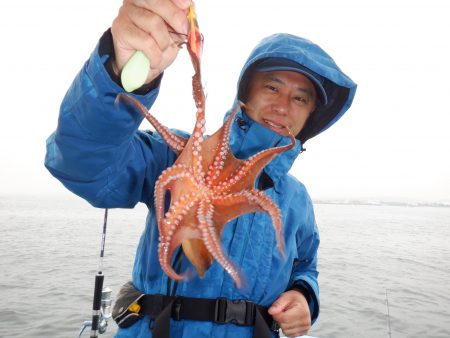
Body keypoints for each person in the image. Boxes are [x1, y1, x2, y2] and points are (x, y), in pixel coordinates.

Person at [44, 0, 356, 337]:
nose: (282, 106)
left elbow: (305, 265)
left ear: (311, 114)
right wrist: (116, 78)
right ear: (245, 94)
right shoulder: (175, 156)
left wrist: (304, 296)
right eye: (272, 87)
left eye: (300, 98)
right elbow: (82, 161)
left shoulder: (296, 199)